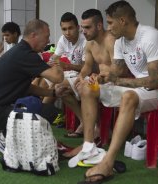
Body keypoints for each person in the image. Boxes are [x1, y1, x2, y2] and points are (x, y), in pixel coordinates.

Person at [74, 1, 158, 183]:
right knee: (88, 88)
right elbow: (118, 71)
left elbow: (154, 81)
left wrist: (117, 80)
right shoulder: (120, 41)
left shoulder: (150, 37)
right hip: (136, 87)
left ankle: (107, 163)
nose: (108, 27)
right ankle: (89, 146)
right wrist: (101, 77)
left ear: (122, 21)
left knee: (129, 96)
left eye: (111, 23)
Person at [0, 19, 69, 153]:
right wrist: (58, 61)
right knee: (48, 113)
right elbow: (58, 77)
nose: (48, 41)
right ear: (33, 35)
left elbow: (25, 87)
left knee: (44, 108)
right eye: (47, 36)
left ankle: (3, 130)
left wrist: (52, 93)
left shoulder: (20, 51)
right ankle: (4, 138)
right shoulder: (26, 54)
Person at [59, 9, 118, 141]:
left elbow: (118, 69)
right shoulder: (90, 42)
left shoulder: (111, 41)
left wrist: (99, 77)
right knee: (62, 89)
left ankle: (96, 130)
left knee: (85, 88)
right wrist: (81, 76)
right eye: (83, 27)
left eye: (87, 27)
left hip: (113, 81)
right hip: (99, 79)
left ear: (99, 26)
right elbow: (87, 66)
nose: (83, 31)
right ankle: (88, 124)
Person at [44, 12, 86, 137]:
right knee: (42, 81)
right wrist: (48, 65)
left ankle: (40, 115)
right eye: (64, 29)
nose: (67, 32)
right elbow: (54, 57)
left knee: (58, 86)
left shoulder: (85, 40)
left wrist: (66, 65)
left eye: (70, 28)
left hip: (86, 74)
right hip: (71, 73)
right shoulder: (63, 39)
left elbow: (86, 68)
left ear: (78, 27)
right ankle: (43, 115)